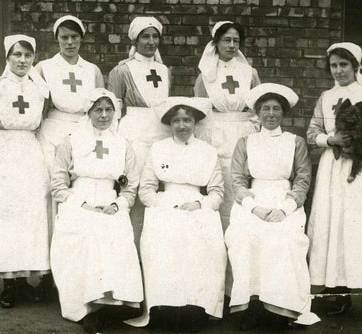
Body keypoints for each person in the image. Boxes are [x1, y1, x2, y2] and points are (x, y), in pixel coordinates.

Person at [307, 42, 362, 315]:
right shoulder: (325, 97)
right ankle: (329, 287)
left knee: (350, 226)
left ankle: (345, 291)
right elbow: (312, 133)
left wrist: (358, 147)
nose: (339, 71)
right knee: (328, 223)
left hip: (357, 171)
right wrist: (330, 138)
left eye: (344, 65)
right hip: (330, 169)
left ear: (355, 66)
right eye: (334, 65)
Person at [126, 97, 226, 332]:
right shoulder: (158, 149)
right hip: (165, 205)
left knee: (202, 241)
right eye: (176, 120)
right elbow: (147, 189)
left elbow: (217, 192)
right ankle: (164, 306)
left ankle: (196, 306)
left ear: (195, 123)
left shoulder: (208, 151)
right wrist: (162, 203)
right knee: (163, 238)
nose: (182, 125)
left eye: (187, 120)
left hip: (197, 206)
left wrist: (200, 205)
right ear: (169, 124)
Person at [225, 83, 320, 330]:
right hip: (253, 201)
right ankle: (251, 304)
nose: (270, 114)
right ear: (257, 111)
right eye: (265, 108)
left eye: (276, 109)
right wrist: (253, 207)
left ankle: (279, 308)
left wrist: (286, 208)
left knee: (284, 237)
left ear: (283, 113)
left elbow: (302, 178)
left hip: (284, 200)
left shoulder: (295, 142)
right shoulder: (246, 142)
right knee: (244, 236)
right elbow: (237, 179)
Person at [50, 88, 143, 333]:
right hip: (77, 201)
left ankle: (112, 302)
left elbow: (129, 186)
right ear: (89, 112)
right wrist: (80, 204)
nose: (103, 115)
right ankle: (84, 306)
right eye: (98, 110)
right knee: (84, 230)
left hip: (109, 202)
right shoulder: (71, 141)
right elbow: (59, 185)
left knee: (115, 230)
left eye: (108, 109)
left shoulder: (123, 144)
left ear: (115, 112)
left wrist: (117, 205)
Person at [0, 34, 50, 308]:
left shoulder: (41, 89)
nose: (22, 60)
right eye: (17, 54)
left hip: (30, 155)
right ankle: (8, 284)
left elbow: (42, 122)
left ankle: (24, 280)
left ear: (33, 58)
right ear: (7, 58)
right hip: (1, 158)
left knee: (28, 218)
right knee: (5, 218)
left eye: (27, 55)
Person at [35, 14, 104, 298]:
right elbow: (37, 105)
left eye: (75, 37)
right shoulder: (44, 67)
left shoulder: (92, 70)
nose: (70, 42)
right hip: (53, 133)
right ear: (57, 39)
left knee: (79, 198)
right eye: (64, 37)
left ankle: (78, 269)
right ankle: (49, 272)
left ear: (82, 39)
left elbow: (102, 104)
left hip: (84, 134)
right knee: (53, 198)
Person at [108, 16, 171, 248]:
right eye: (145, 36)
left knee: (156, 190)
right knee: (131, 188)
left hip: (161, 134)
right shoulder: (122, 71)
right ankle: (130, 251)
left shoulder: (164, 70)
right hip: (134, 132)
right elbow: (113, 111)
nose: (151, 41)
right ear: (135, 39)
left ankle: (153, 251)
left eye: (155, 36)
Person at [194, 21, 261, 232]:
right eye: (227, 40)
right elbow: (201, 111)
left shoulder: (249, 73)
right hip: (215, 134)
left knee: (240, 184)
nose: (232, 45)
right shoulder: (205, 76)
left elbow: (258, 107)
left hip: (243, 134)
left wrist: (252, 131)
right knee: (217, 185)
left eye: (236, 41)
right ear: (216, 42)